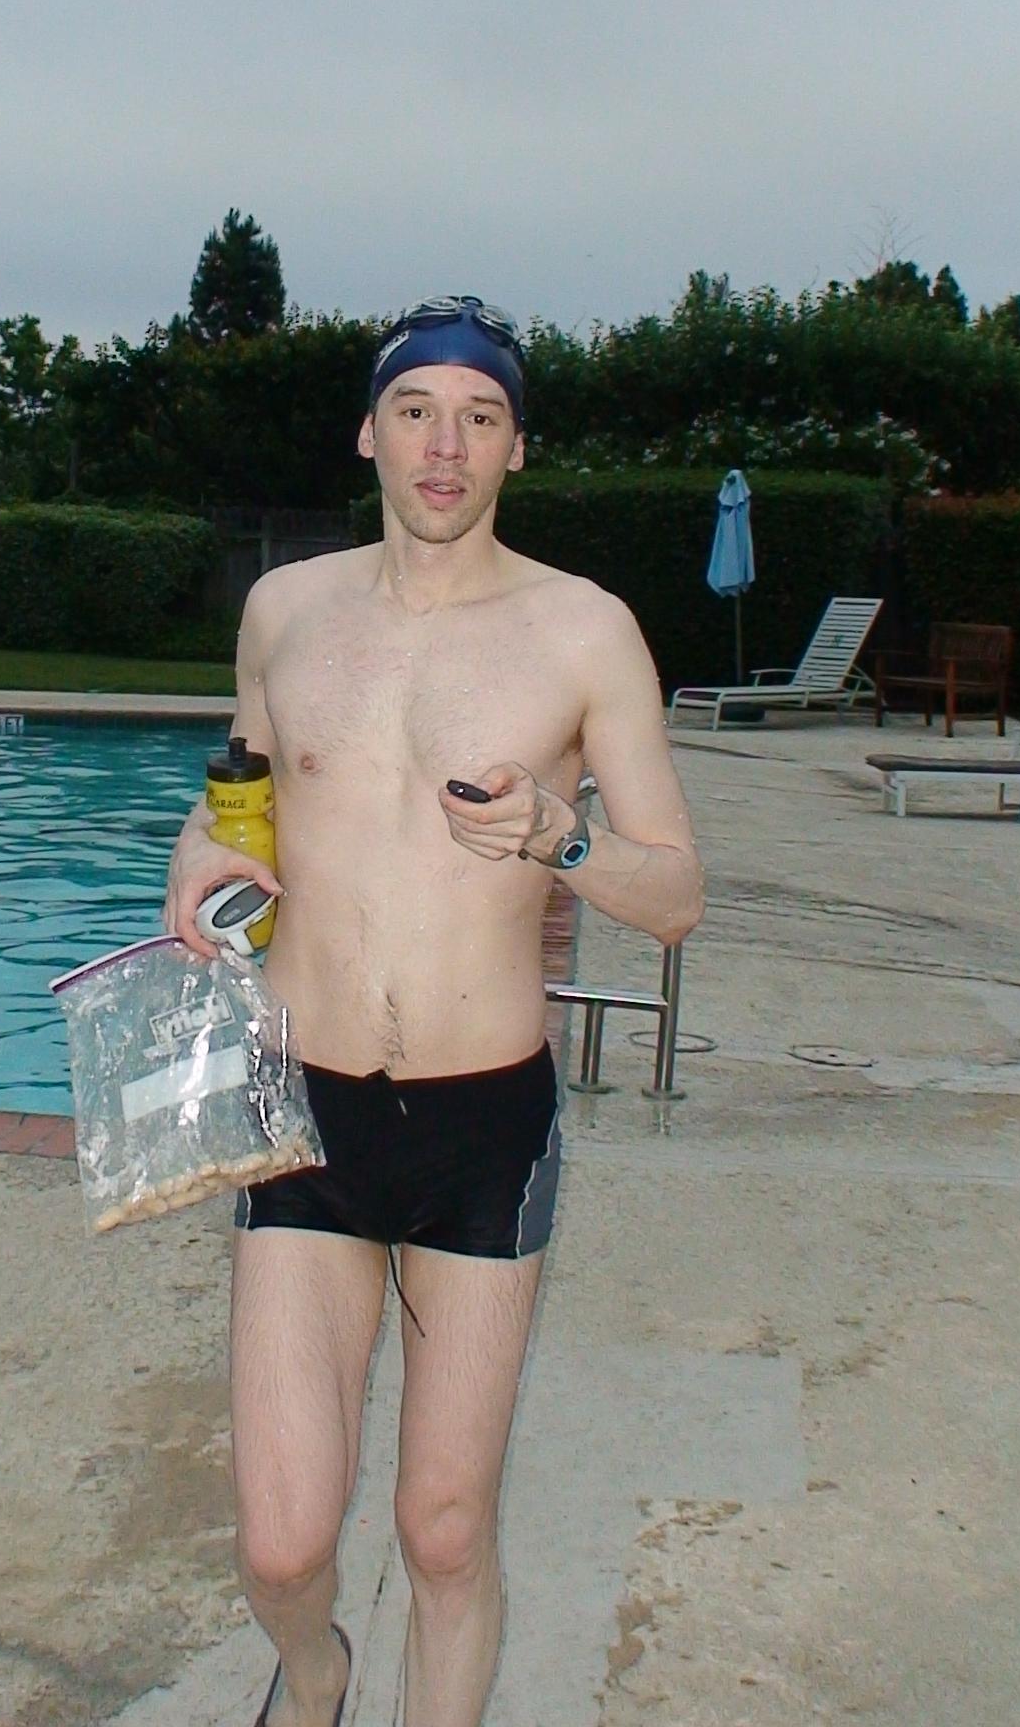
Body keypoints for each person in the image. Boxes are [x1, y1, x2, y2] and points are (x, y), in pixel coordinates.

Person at [164, 294, 705, 1727]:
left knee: (443, 1528)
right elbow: (252, 803)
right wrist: (202, 853)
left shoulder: (586, 633)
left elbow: (678, 897)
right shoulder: (288, 611)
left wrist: (560, 837)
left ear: (517, 447)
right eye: (417, 412)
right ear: (370, 434)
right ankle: (320, 1670)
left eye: (480, 417)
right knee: (283, 1542)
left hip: (483, 1119)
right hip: (303, 1105)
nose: (445, 445)